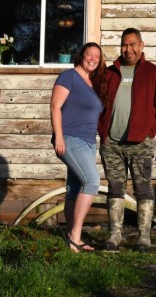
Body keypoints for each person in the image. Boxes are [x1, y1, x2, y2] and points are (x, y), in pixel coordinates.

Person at [98, 28, 156, 251]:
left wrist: (152, 131)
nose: (127, 49)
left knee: (143, 189)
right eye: (124, 45)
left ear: (141, 46)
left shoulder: (154, 73)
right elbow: (97, 103)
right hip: (111, 143)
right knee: (114, 188)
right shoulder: (109, 73)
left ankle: (144, 238)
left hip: (141, 143)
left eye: (132, 45)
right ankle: (115, 236)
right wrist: (101, 129)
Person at [50, 42, 107, 252]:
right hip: (70, 138)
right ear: (81, 56)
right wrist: (59, 136)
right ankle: (75, 236)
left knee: (75, 188)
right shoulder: (69, 76)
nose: (92, 58)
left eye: (97, 56)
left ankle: (72, 237)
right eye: (89, 54)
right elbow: (55, 106)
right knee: (92, 181)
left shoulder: (93, 83)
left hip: (89, 142)